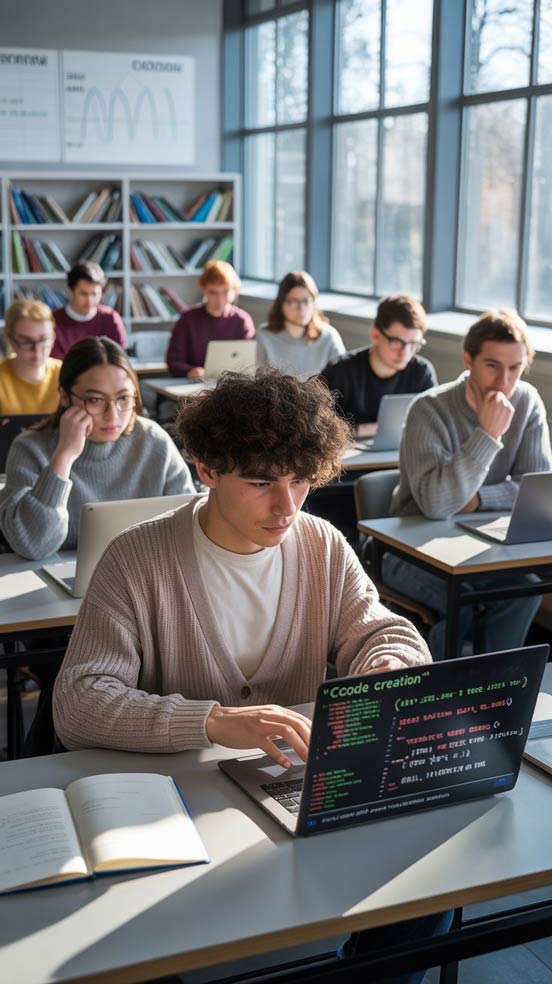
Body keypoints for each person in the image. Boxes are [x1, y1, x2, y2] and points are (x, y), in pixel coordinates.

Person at [52, 367, 450, 984]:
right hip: (180, 809)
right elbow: (78, 702)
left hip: (295, 786)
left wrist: (385, 668)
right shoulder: (137, 556)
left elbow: (382, 630)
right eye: (262, 482)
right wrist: (212, 721)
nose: (287, 506)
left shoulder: (320, 543)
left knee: (432, 886)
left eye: (300, 483)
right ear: (206, 470)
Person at [384, 308, 552, 660]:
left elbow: (535, 490)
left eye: (515, 368)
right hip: (408, 553)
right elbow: (437, 504)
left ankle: (496, 687)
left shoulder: (528, 401)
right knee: (458, 602)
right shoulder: (428, 409)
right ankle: (436, 698)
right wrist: (488, 434)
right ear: (468, 359)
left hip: (479, 546)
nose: (504, 379)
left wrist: (475, 499)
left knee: (526, 591)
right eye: (492, 365)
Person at [0, 337, 194, 559]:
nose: (112, 415)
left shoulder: (153, 441)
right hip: (53, 584)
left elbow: (188, 528)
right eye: (95, 400)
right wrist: (63, 457)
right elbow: (34, 546)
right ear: (64, 396)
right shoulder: (30, 449)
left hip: (141, 575)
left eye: (123, 398)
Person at [321, 294, 437, 428]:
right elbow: (318, 427)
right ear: (375, 335)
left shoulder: (422, 372)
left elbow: (430, 426)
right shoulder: (339, 371)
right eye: (396, 342)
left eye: (413, 343)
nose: (405, 352)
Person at [166, 260, 255, 378]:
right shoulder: (188, 319)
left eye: (225, 292)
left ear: (234, 291)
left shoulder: (242, 320)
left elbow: (249, 362)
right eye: (213, 292)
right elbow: (173, 361)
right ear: (203, 290)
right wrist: (190, 371)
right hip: (194, 385)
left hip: (232, 386)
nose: (220, 298)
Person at [256, 271, 345, 378]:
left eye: (307, 300)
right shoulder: (264, 335)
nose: (302, 309)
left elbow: (342, 381)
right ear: (280, 303)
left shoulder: (328, 337)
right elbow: (257, 381)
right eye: (294, 301)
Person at [52, 261, 127, 359]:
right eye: (84, 294)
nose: (90, 301)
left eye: (95, 294)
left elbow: (120, 357)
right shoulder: (53, 321)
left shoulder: (111, 318)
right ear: (70, 291)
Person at [0, 300, 61, 413]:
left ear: (53, 337)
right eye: (26, 342)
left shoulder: (66, 373)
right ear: (10, 339)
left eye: (43, 339)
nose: (37, 350)